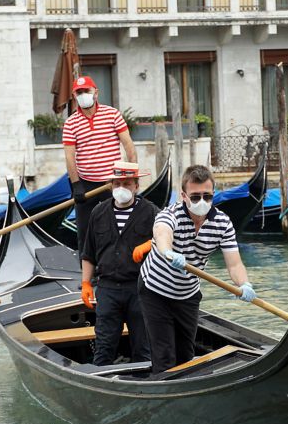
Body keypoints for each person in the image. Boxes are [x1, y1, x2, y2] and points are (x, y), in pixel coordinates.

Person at [137, 165, 257, 373]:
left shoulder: (223, 223)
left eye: (207, 196)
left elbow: (235, 264)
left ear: (213, 194)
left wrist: (244, 283)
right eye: (195, 197)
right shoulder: (170, 214)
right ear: (183, 196)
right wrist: (168, 253)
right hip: (155, 291)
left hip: (188, 293)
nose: (202, 202)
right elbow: (162, 233)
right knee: (164, 357)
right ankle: (164, 388)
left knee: (186, 356)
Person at [80, 161, 158, 366]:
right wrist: (86, 283)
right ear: (111, 185)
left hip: (140, 288)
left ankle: (147, 381)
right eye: (117, 184)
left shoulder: (151, 212)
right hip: (107, 289)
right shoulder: (98, 213)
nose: (121, 188)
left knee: (144, 348)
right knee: (104, 347)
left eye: (127, 184)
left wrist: (151, 243)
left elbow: (169, 239)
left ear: (136, 186)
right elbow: (89, 253)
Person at [62, 76, 138, 256]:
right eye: (79, 92)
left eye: (86, 91)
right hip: (86, 184)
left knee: (118, 227)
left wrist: (131, 177)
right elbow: (69, 157)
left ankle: (119, 264)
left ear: (96, 93)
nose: (83, 95)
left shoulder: (113, 115)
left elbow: (128, 145)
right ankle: (87, 271)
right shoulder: (70, 123)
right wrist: (76, 184)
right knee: (85, 232)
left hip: (113, 183)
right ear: (74, 96)